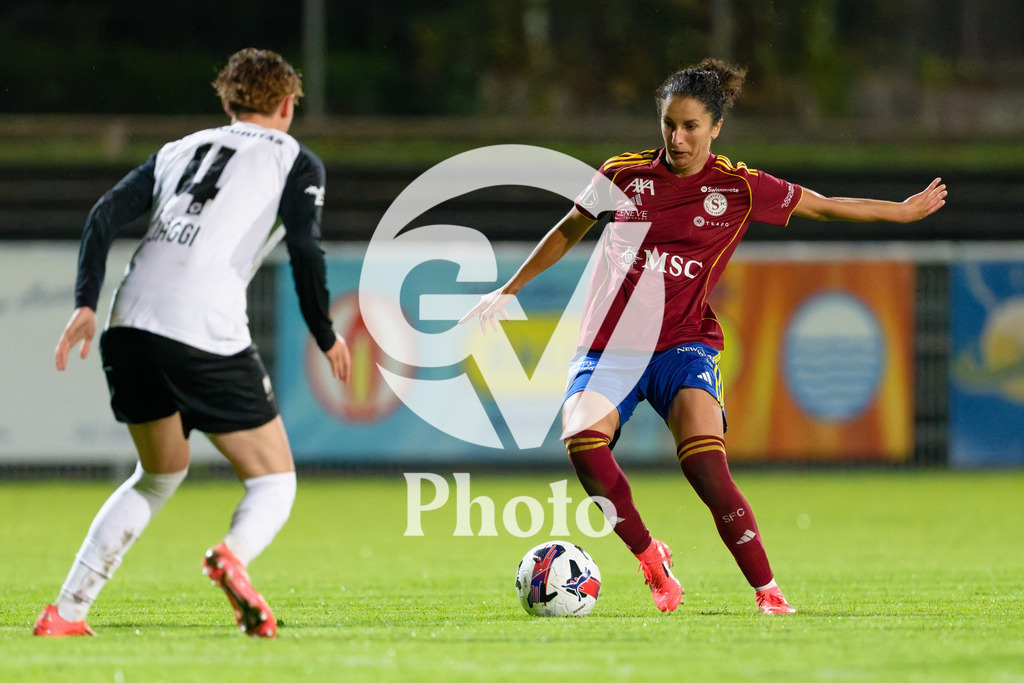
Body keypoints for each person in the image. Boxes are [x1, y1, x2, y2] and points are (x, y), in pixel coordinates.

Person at [461, 58, 946, 615]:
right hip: (609, 347)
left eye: (691, 126)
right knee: (582, 442)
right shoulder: (624, 175)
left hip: (682, 345)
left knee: (705, 465)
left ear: (715, 128)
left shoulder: (738, 188)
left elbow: (826, 206)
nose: (677, 137)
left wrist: (902, 213)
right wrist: (509, 288)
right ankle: (650, 558)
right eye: (669, 124)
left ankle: (768, 593)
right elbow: (570, 227)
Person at [33, 48, 351, 638]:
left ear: (227, 103)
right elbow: (305, 250)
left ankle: (65, 614)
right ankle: (232, 556)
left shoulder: (178, 150)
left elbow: (103, 214)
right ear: (287, 106)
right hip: (202, 325)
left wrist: (84, 302)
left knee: (157, 475)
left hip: (128, 323)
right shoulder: (296, 161)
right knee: (273, 479)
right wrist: (324, 332)